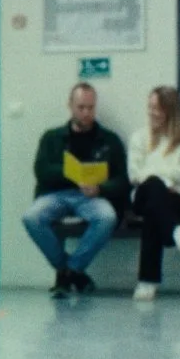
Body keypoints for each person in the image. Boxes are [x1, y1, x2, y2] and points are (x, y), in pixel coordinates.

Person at [22, 82, 130, 295]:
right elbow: (41, 171)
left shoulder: (109, 140)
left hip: (92, 197)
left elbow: (122, 181)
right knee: (31, 217)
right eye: (81, 107)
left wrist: (101, 189)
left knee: (107, 217)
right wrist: (70, 174)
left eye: (90, 107)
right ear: (70, 106)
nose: (86, 113)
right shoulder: (52, 137)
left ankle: (70, 271)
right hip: (57, 195)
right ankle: (70, 271)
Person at [126, 85, 180, 300]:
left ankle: (147, 282)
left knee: (154, 209)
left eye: (157, 109)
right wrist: (163, 182)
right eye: (150, 107)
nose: (151, 113)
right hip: (143, 195)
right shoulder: (139, 137)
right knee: (153, 186)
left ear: (171, 111)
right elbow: (134, 174)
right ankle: (175, 230)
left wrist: (160, 177)